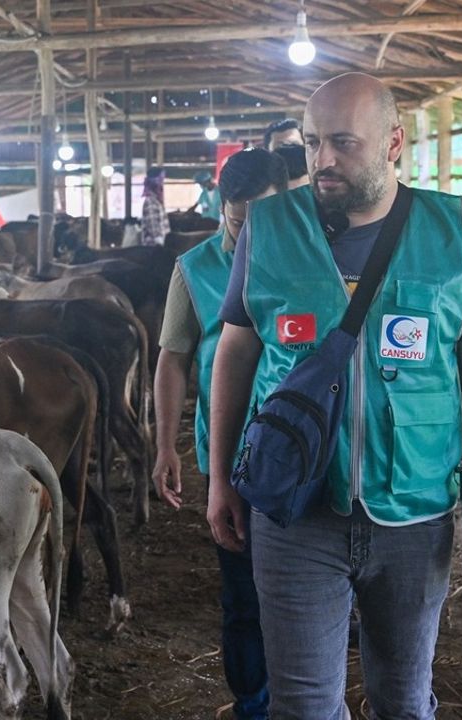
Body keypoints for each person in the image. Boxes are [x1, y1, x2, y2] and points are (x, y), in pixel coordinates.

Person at [207, 73, 462, 719]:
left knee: (404, 700)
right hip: (295, 510)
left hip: (415, 511)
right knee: (303, 707)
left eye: (343, 142)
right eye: (311, 143)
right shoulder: (268, 227)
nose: (322, 160)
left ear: (393, 143)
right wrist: (221, 478)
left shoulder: (451, 230)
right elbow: (235, 352)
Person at [154, 149, 289, 720]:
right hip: (231, 456)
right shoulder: (195, 269)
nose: (249, 234)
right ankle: (253, 703)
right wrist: (165, 444)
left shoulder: (314, 258)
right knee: (242, 592)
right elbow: (172, 359)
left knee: (310, 587)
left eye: (263, 220)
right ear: (222, 211)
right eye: (237, 222)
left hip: (307, 452)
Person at [141, 170, 169, 246]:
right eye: (161, 179)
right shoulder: (150, 201)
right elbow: (153, 225)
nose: (162, 183)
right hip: (154, 245)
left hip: (161, 242)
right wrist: (160, 242)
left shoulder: (156, 200)